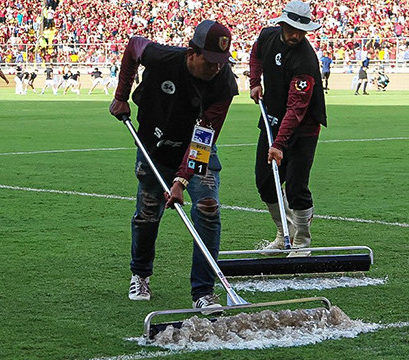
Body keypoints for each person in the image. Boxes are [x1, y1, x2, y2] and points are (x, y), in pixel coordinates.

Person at [109, 20, 238, 313]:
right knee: (148, 212)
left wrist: (181, 179)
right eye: (210, 61)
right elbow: (131, 47)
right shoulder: (161, 56)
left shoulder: (224, 83)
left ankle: (204, 292)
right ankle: (140, 274)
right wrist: (121, 96)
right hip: (153, 146)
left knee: (207, 207)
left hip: (195, 147)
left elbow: (205, 137)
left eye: (221, 62)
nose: (216, 68)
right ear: (192, 53)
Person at [249, 1, 327, 257]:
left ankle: (302, 242)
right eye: (292, 28)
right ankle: (284, 235)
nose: (296, 35)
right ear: (282, 24)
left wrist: (279, 145)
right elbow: (255, 53)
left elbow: (296, 109)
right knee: (265, 182)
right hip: (271, 120)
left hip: (302, 130)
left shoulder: (305, 60)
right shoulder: (268, 36)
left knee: (295, 186)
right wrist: (254, 82)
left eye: (301, 30)